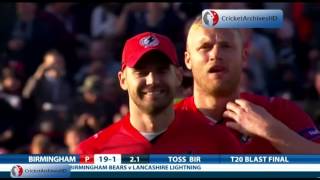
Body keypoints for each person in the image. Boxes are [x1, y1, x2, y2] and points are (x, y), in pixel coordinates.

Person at [77, 32, 242, 154]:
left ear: (178, 76)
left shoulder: (217, 140)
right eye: (141, 72)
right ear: (123, 80)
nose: (152, 80)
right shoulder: (92, 153)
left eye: (162, 71)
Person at [176, 16, 320, 154]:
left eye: (226, 46)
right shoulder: (166, 124)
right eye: (205, 47)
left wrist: (271, 131)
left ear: (243, 56)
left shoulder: (279, 112)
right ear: (188, 60)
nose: (216, 54)